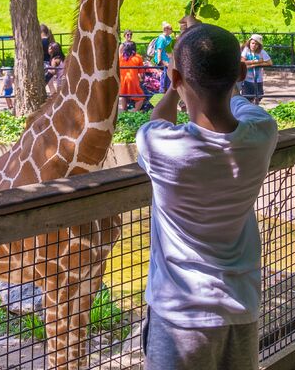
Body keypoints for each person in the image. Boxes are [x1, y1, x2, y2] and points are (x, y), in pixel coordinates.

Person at [136, 21, 278, 370]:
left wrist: (174, 86)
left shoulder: (161, 146)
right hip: (240, 308)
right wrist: (221, 76)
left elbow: (159, 121)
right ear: (241, 72)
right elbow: (242, 109)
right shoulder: (262, 133)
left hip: (179, 317)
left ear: (176, 78)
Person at [240, 34, 272, 104]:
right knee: (246, 97)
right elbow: (242, 62)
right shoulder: (246, 50)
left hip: (258, 79)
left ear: (259, 46)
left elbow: (269, 63)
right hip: (247, 79)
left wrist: (255, 64)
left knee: (258, 96)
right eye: (253, 43)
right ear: (249, 43)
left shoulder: (261, 52)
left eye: (256, 44)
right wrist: (257, 61)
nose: (254, 45)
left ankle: (255, 108)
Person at [119, 40, 145, 111]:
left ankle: (125, 112)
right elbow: (141, 72)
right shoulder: (138, 57)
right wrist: (142, 79)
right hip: (132, 80)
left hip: (123, 80)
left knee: (124, 96)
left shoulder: (121, 57)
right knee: (141, 98)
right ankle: (134, 112)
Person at [149, 22, 175, 92]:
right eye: (171, 29)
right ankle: (162, 94)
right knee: (164, 79)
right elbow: (159, 51)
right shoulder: (161, 38)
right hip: (164, 62)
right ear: (166, 29)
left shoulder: (169, 38)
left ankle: (167, 93)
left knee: (169, 79)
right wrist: (160, 62)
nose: (172, 30)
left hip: (168, 62)